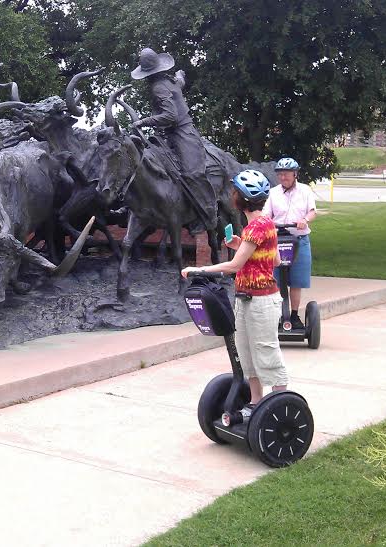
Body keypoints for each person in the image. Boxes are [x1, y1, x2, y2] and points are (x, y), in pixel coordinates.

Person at [182, 170, 287, 411]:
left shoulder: (255, 228)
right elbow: (275, 260)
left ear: (243, 199)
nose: (232, 196)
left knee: (266, 352)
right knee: (247, 354)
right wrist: (241, 245)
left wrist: (199, 270)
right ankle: (255, 402)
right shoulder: (266, 224)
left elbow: (234, 266)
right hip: (247, 299)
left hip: (261, 301)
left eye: (235, 192)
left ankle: (281, 405)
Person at [130, 47, 217, 232]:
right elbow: (180, 83)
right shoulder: (169, 79)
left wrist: (143, 121)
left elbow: (170, 116)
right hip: (168, 133)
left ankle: (209, 213)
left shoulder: (158, 87)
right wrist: (181, 75)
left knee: (192, 173)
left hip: (182, 132)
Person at [263, 157, 317, 330]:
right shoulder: (273, 193)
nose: (283, 177)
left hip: (299, 239)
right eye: (280, 174)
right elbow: (266, 214)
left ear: (295, 174)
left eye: (286, 174)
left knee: (296, 281)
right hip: (277, 240)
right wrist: (267, 223)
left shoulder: (305, 190)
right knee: (275, 280)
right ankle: (278, 316)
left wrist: (304, 220)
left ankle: (294, 315)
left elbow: (312, 211)